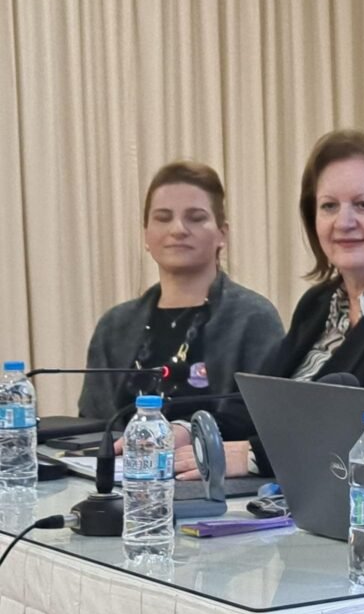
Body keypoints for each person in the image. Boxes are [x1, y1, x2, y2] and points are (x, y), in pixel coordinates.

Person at [176, 128, 364, 479]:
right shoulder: (318, 304)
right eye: (329, 206)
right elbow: (258, 406)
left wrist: (256, 457)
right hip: (278, 496)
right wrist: (188, 430)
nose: (344, 222)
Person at [79, 160, 283, 424]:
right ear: (146, 235)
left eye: (196, 218)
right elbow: (90, 424)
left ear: (222, 234)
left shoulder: (254, 319)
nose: (178, 230)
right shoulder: (114, 326)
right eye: (163, 218)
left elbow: (269, 422)